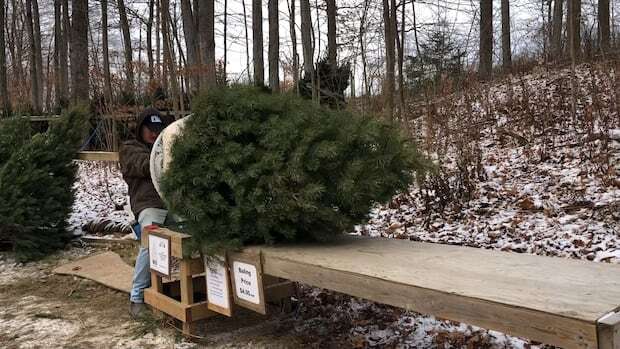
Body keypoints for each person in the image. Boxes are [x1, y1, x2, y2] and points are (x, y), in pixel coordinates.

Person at [119, 107, 170, 317]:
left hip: (172, 203)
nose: (154, 133)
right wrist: (168, 158)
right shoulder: (130, 148)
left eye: (158, 128)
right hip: (148, 205)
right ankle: (137, 298)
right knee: (151, 239)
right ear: (141, 129)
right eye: (150, 128)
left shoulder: (167, 146)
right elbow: (143, 165)